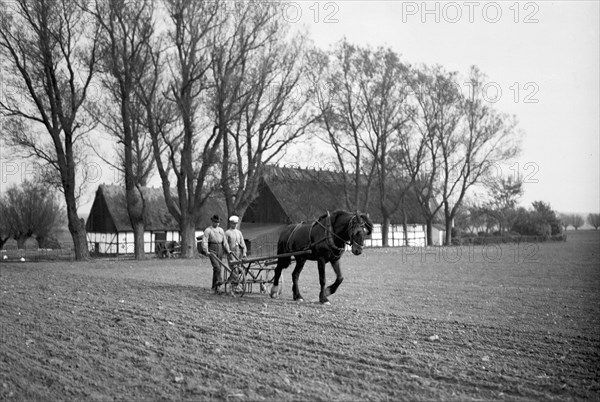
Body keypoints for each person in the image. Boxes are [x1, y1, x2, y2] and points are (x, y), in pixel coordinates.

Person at [202, 215, 231, 294]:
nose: (217, 224)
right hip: (212, 249)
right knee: (217, 267)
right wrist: (206, 251)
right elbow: (204, 241)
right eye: (215, 222)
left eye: (218, 222)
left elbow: (224, 241)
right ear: (212, 222)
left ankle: (214, 286)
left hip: (220, 249)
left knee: (218, 268)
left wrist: (228, 250)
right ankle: (219, 283)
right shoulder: (208, 230)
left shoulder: (221, 230)